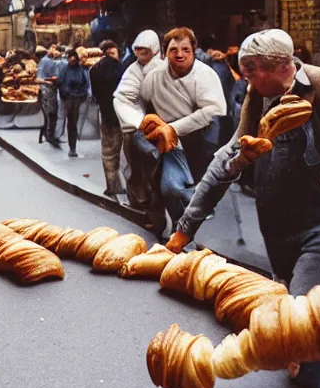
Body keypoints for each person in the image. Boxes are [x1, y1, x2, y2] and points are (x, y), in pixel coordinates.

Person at [167, 29, 320, 388]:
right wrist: (185, 228)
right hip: (279, 233)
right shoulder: (256, 99)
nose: (245, 80)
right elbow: (225, 165)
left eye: (249, 71)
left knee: (311, 315)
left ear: (276, 66)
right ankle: (307, 364)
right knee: (296, 319)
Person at [114, 27, 226, 233]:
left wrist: (173, 127)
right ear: (165, 53)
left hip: (203, 141)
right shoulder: (152, 75)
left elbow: (214, 110)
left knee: (198, 189)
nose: (180, 54)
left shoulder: (205, 75)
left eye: (186, 49)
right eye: (174, 50)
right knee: (170, 188)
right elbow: (138, 101)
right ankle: (180, 228)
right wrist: (145, 121)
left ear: (194, 51)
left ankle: (188, 224)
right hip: (172, 145)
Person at [113, 30, 167, 217]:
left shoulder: (163, 67)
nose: (140, 53)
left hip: (161, 128)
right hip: (134, 128)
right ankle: (139, 202)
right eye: (138, 50)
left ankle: (155, 206)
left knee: (156, 169)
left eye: (144, 50)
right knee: (135, 167)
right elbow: (124, 97)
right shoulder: (133, 70)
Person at [89, 40, 125, 198]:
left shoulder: (94, 70)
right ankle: (128, 188)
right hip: (123, 116)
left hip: (106, 114)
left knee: (109, 153)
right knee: (125, 153)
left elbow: (95, 95)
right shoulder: (122, 68)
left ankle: (112, 186)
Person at [57, 49, 90, 158]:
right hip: (69, 98)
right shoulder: (65, 70)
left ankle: (73, 147)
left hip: (77, 98)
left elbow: (85, 84)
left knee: (73, 122)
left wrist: (81, 95)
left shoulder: (81, 70)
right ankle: (72, 147)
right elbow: (60, 83)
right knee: (71, 122)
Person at [37, 46, 63, 146]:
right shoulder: (46, 61)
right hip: (47, 89)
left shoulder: (47, 61)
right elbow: (43, 78)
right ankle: (49, 135)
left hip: (49, 89)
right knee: (51, 113)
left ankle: (47, 133)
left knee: (50, 113)